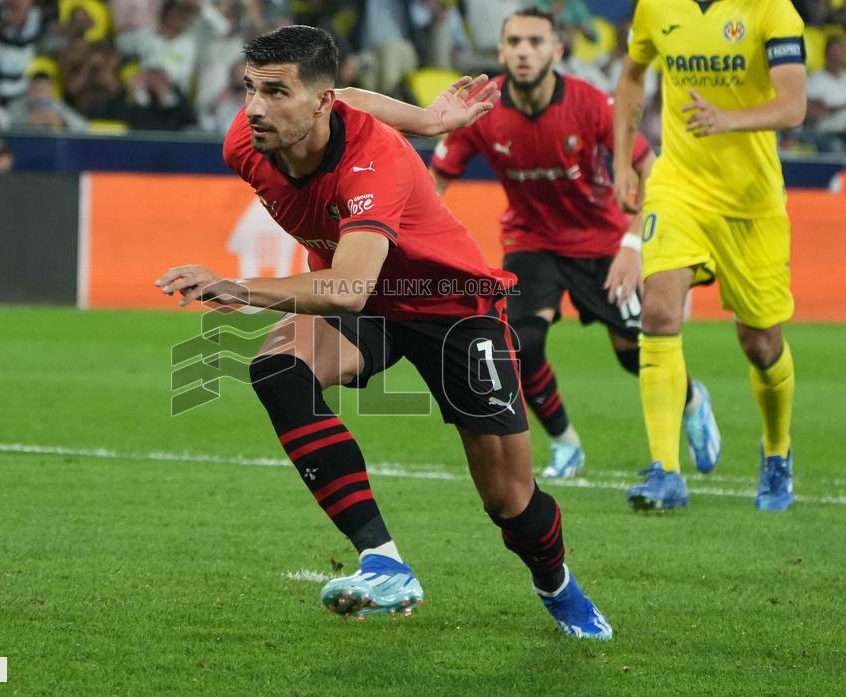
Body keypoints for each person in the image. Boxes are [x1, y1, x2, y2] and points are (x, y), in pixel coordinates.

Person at [155, 25, 612, 639]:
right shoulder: (248, 141)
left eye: (275, 92)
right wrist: (428, 117)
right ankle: (383, 561)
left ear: (317, 105)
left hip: (448, 304)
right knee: (278, 370)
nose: (256, 108)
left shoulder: (378, 161)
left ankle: (556, 584)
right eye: (249, 89)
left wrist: (238, 289)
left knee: (511, 501)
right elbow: (346, 94)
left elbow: (347, 286)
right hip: (368, 302)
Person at [346, 8, 719, 479]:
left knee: (635, 353)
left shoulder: (590, 104)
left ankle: (692, 400)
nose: (524, 52)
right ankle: (566, 443)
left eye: (536, 42)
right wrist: (406, 240)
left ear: (557, 51)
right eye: (515, 42)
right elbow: (434, 178)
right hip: (530, 241)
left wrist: (631, 244)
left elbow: (647, 169)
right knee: (520, 344)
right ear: (501, 51)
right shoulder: (484, 109)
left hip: (600, 243)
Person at [613, 0, 807, 511]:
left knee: (760, 342)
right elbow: (632, 75)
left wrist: (729, 118)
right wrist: (622, 157)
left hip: (751, 202)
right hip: (679, 188)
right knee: (657, 310)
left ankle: (776, 451)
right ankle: (665, 472)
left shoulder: (772, 11)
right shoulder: (656, 8)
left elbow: (793, 106)